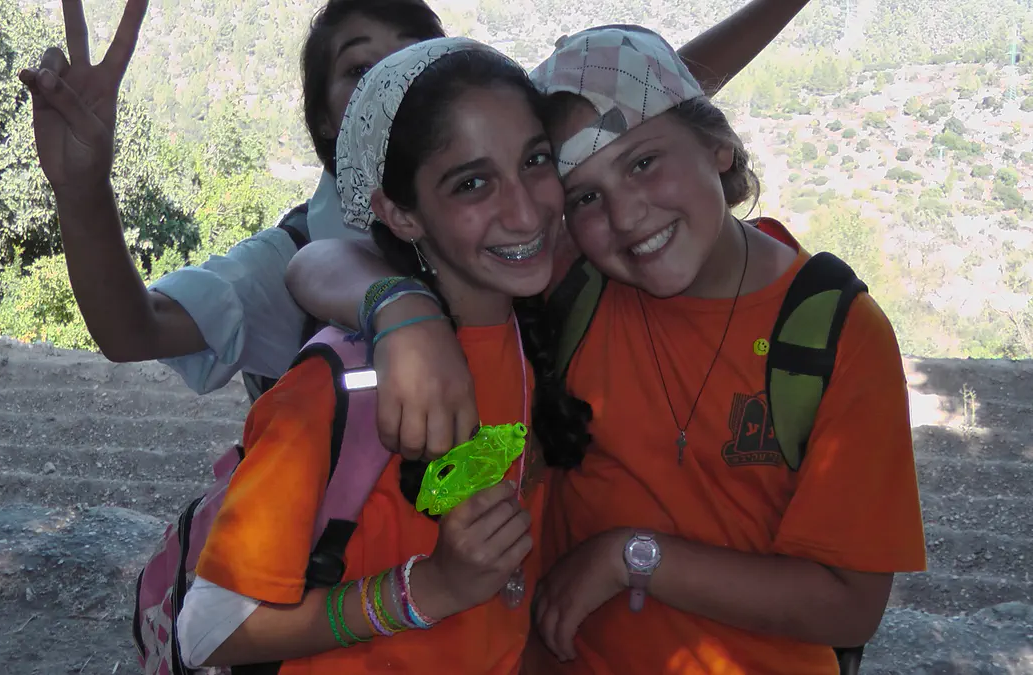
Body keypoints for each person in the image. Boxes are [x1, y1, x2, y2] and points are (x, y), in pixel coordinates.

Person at [285, 26, 927, 675]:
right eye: (585, 196)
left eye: (643, 163)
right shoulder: (578, 280)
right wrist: (401, 311)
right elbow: (316, 261)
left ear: (719, 146)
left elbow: (851, 606)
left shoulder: (832, 333)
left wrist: (633, 558)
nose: (626, 216)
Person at [18, 0, 814, 402]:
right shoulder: (295, 254)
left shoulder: (523, 186)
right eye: (361, 69)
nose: (402, 86)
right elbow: (134, 328)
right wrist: (83, 190)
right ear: (327, 118)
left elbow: (638, 103)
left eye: (420, 58)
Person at [174, 37, 591, 673]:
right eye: (472, 183)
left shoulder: (529, 337)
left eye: (534, 161)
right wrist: (428, 590)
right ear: (399, 214)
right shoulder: (346, 382)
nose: (525, 208)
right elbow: (210, 630)